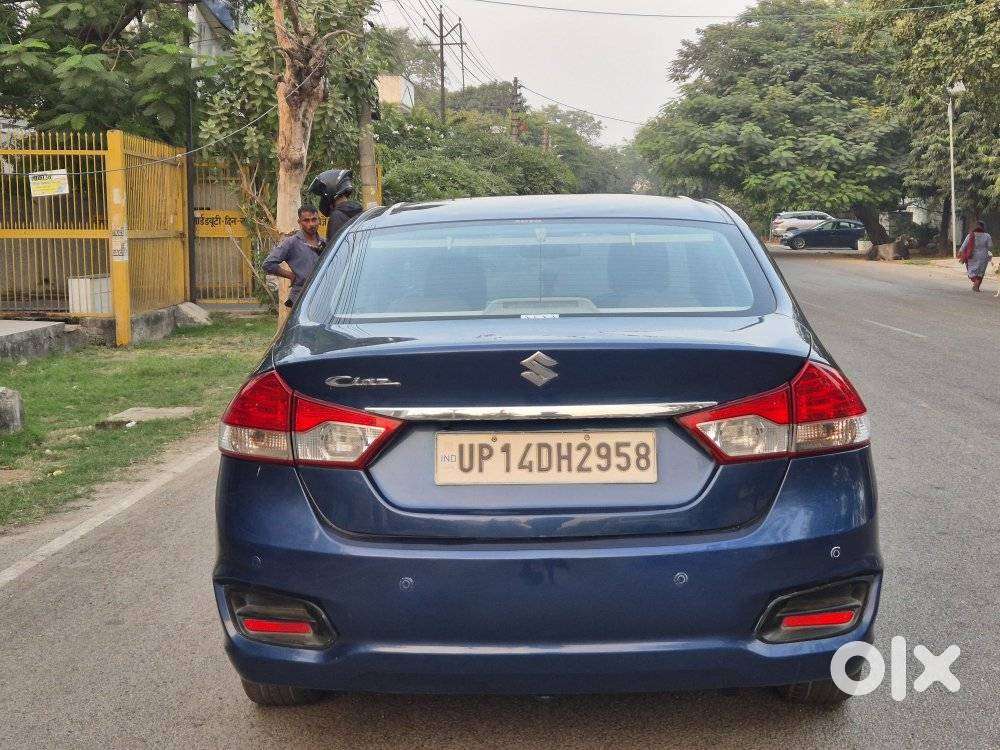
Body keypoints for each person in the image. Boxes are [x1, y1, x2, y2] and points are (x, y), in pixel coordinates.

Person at [262, 205, 326, 308]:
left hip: (323, 296)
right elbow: (268, 264)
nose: (311, 224)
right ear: (299, 222)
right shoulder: (291, 243)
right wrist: (290, 275)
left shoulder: (325, 243)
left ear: (319, 220)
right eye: (306, 220)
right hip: (301, 297)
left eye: (314, 219)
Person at [309, 168, 364, 244]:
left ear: (329, 193)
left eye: (322, 196)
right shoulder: (360, 212)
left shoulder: (336, 217)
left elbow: (335, 249)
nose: (322, 200)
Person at [958, 220, 994, 292]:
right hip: (983, 256)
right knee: (981, 271)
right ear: (983, 227)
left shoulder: (970, 235)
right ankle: (977, 285)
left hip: (972, 255)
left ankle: (975, 283)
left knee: (972, 271)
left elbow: (964, 245)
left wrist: (960, 252)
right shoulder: (987, 236)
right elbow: (990, 246)